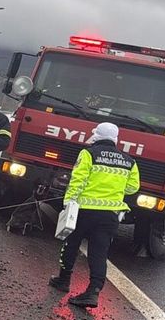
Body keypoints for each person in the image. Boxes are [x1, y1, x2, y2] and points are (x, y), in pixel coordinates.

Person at [49, 122, 140, 308]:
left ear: (97, 136)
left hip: (84, 210)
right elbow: (133, 187)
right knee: (99, 252)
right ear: (116, 139)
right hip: (110, 215)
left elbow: (78, 180)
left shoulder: (88, 153)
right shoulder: (129, 161)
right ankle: (93, 292)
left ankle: (63, 280)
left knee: (71, 244)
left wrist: (69, 202)